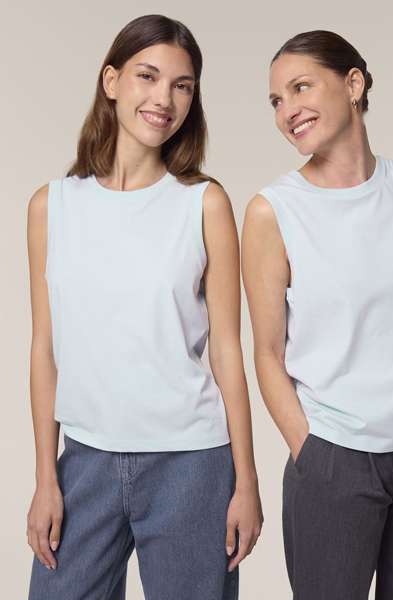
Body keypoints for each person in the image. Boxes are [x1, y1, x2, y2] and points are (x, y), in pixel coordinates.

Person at [26, 14, 262, 600]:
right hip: (85, 461)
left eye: (182, 86)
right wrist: (45, 478)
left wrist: (246, 481)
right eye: (148, 76)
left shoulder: (203, 204)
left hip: (191, 466)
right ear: (111, 81)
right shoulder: (51, 207)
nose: (164, 99)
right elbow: (45, 350)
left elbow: (227, 350)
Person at [242, 29, 393, 600]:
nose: (287, 111)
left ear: (353, 84)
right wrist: (312, 450)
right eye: (276, 100)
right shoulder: (274, 212)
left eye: (301, 88)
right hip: (338, 459)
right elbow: (267, 352)